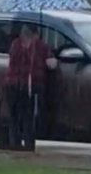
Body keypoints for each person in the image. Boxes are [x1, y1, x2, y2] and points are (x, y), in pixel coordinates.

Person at [5, 23, 56, 151]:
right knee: (17, 116)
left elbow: (51, 63)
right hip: (17, 84)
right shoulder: (17, 45)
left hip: (30, 85)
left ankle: (26, 144)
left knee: (27, 116)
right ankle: (17, 144)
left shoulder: (40, 46)